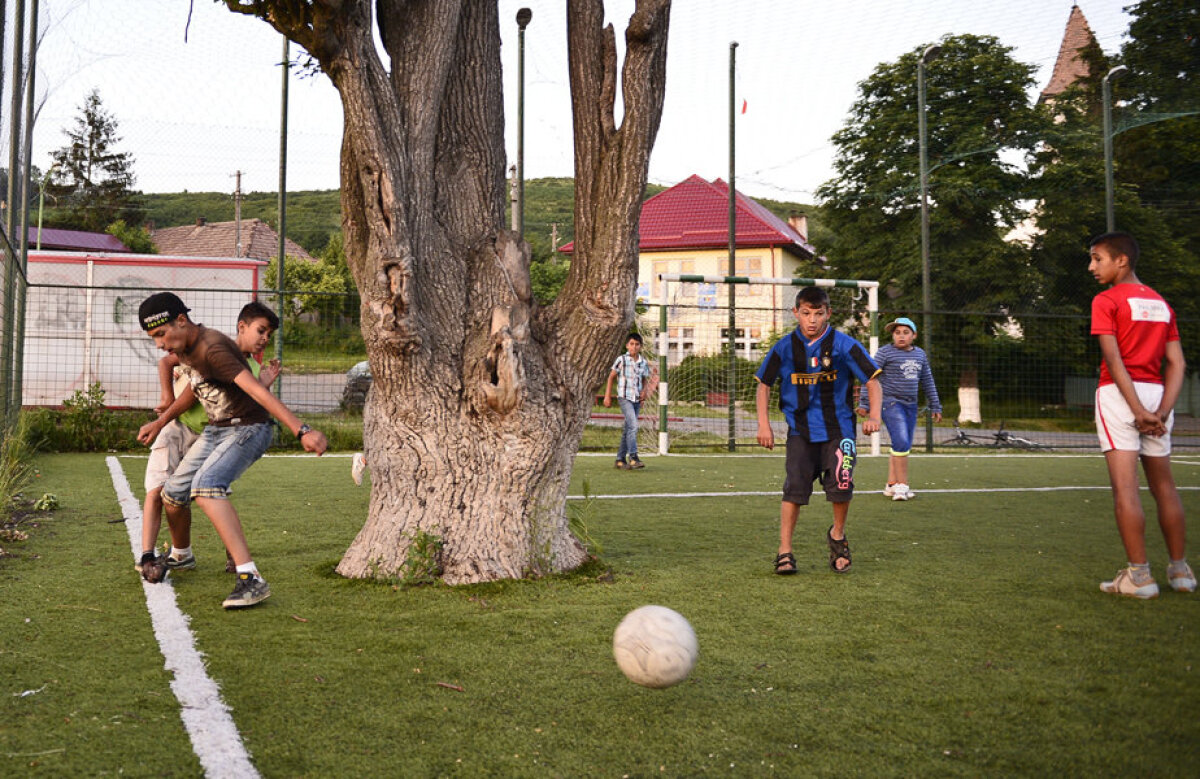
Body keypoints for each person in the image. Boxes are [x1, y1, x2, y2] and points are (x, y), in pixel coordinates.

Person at [135, 293, 326, 609]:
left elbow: (256, 392)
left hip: (248, 428)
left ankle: (251, 579)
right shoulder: (185, 348)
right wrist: (161, 420)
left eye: (160, 334)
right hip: (217, 429)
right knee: (172, 493)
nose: (158, 344)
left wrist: (301, 430)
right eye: (154, 337)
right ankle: (181, 555)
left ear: (181, 321)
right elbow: (195, 393)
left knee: (207, 488)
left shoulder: (213, 349)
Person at [137, 301, 283, 580]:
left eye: (269, 335)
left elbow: (249, 405)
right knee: (162, 490)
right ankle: (152, 555)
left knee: (210, 491)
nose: (265, 339)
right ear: (242, 326)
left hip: (214, 435)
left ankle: (238, 560)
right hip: (182, 427)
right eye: (261, 331)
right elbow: (184, 383)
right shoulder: (208, 348)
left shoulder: (249, 366)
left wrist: (265, 385)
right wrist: (165, 409)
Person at [1088, 231, 1193, 598]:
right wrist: (1160, 411)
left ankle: (1140, 577)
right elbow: (1177, 362)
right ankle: (1180, 573)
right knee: (1165, 485)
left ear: (1122, 260)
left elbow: (1114, 359)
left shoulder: (1106, 300)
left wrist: (1136, 410)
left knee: (1126, 489)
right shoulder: (1162, 304)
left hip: (1120, 395)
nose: (1091, 266)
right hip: (1157, 395)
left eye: (1097, 258)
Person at [756, 287, 882, 575]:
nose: (812, 320)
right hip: (800, 431)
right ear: (796, 313)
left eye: (818, 314)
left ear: (828, 313)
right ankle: (784, 550)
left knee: (841, 484)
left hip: (840, 430)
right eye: (806, 313)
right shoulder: (784, 347)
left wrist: (874, 415)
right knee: (794, 489)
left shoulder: (844, 345)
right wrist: (764, 424)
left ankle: (838, 537)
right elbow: (764, 384)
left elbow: (873, 380)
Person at [855, 316, 942, 501]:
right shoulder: (885, 353)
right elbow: (869, 376)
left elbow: (927, 380)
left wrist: (935, 404)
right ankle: (903, 486)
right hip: (890, 402)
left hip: (910, 405)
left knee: (902, 444)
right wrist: (864, 403)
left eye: (905, 332)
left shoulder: (920, 355)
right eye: (897, 333)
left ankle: (891, 484)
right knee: (901, 441)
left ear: (914, 335)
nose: (901, 336)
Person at [603, 332, 658, 470]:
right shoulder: (622, 360)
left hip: (636, 400)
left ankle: (620, 459)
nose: (634, 347)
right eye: (631, 344)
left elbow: (644, 379)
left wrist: (644, 393)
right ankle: (633, 457)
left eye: (637, 344)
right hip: (624, 397)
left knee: (628, 429)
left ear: (640, 346)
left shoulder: (643, 362)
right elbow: (611, 377)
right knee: (633, 426)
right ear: (627, 345)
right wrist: (607, 396)